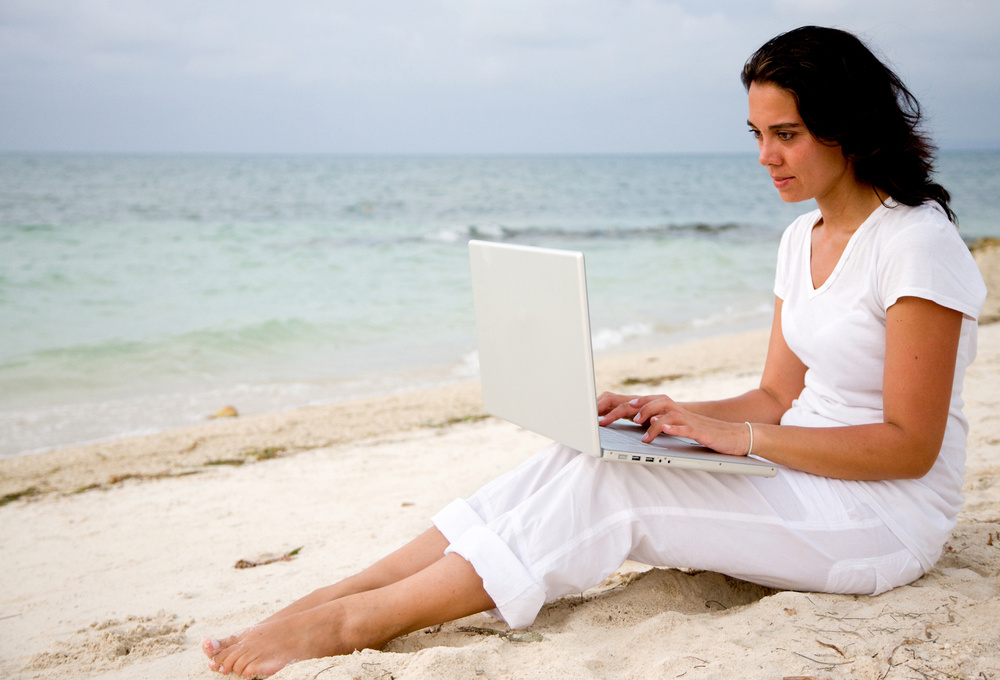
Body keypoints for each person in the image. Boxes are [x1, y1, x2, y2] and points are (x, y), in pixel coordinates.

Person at [203, 26, 987, 678]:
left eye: (786, 134)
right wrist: (674, 415)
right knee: (586, 454)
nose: (766, 157)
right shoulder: (801, 237)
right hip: (800, 469)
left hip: (882, 517)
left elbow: (909, 448)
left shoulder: (915, 243)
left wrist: (738, 439)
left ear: (846, 128)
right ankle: (344, 592)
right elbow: (777, 396)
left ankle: (351, 627)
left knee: (617, 494)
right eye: (757, 135)